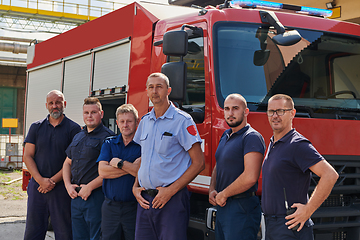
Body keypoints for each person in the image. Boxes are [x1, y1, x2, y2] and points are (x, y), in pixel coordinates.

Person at [132, 72, 205, 240]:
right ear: (147, 91)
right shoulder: (145, 121)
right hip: (144, 200)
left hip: (171, 200)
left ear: (168, 90)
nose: (155, 91)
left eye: (159, 87)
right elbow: (145, 158)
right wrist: (135, 187)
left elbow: (198, 163)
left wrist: (170, 191)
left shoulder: (182, 120)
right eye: (151, 87)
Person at [262, 94, 339, 240]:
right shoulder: (273, 143)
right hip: (273, 225)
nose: (275, 116)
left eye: (280, 111)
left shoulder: (297, 144)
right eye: (271, 111)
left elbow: (330, 175)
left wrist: (308, 210)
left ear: (292, 113)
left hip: (290, 226)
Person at [23, 90, 81, 240]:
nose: (55, 106)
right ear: (46, 105)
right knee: (33, 232)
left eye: (58, 102)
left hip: (61, 189)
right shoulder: (36, 127)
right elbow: (27, 156)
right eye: (51, 103)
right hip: (37, 188)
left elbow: (72, 160)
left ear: (64, 104)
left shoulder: (73, 129)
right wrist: (40, 180)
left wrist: (52, 181)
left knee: (64, 233)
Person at [209, 93, 265, 240]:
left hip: (242, 206)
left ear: (246, 111)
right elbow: (218, 164)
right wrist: (212, 189)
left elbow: (250, 177)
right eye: (227, 109)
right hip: (223, 205)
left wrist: (224, 194)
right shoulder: (226, 135)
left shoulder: (251, 137)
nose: (230, 113)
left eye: (235, 108)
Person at [63, 97, 114, 240]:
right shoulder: (78, 136)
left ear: (101, 114)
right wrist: (68, 186)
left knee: (96, 237)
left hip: (96, 197)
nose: (89, 116)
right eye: (86, 113)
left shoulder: (109, 138)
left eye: (93, 112)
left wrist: (90, 187)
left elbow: (111, 171)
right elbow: (67, 163)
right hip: (76, 197)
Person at [97, 104, 141, 240]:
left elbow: (141, 172)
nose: (125, 125)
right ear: (117, 123)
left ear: (137, 122)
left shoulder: (143, 146)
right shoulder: (109, 143)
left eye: (129, 121)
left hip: (134, 208)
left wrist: (119, 164)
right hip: (110, 208)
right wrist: (131, 168)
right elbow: (103, 172)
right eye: (122, 121)